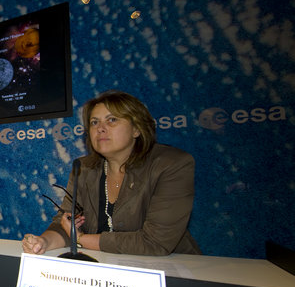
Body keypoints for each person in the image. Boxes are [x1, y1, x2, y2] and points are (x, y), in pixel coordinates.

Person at [22, 90, 201, 256]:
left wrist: (82, 239)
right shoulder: (83, 168)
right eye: (94, 122)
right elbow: (67, 224)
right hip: (107, 272)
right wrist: (43, 242)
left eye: (112, 120)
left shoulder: (171, 164)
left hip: (172, 274)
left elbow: (154, 242)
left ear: (136, 129)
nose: (100, 128)